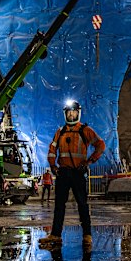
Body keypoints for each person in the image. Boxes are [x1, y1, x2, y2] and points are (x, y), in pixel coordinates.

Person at [39, 100, 105, 248]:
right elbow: (52, 149)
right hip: (63, 172)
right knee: (59, 205)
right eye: (68, 111)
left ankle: (87, 235)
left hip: (77, 172)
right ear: (65, 113)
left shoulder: (85, 130)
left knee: (82, 204)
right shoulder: (60, 132)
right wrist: (52, 165)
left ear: (78, 113)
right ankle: (55, 235)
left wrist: (89, 161)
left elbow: (100, 145)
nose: (71, 114)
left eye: (73, 111)